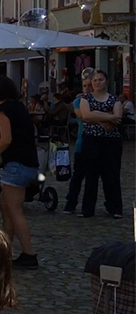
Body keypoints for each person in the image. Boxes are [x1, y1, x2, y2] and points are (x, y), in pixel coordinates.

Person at [0, 75, 40, 269]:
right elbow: (15, 137)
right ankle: (5, 251)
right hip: (28, 163)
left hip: (16, 165)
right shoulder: (18, 106)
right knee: (6, 207)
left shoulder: (2, 110)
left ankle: (29, 253)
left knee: (14, 211)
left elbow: (6, 139)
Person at [79, 70, 123, 219]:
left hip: (111, 141)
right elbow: (86, 115)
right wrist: (107, 118)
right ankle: (88, 209)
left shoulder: (114, 99)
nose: (98, 82)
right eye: (95, 80)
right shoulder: (86, 98)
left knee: (111, 174)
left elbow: (118, 118)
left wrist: (97, 116)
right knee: (91, 175)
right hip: (92, 139)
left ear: (107, 81)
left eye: (101, 79)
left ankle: (115, 207)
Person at [63, 78, 93, 214]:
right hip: (82, 143)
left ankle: (89, 206)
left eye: (89, 85)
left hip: (99, 143)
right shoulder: (78, 102)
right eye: (84, 85)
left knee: (94, 177)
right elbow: (83, 116)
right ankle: (71, 202)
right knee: (78, 176)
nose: (87, 88)